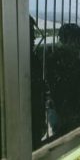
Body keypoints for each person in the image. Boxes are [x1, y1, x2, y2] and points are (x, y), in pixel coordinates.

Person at [45, 23, 80, 134]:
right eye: (79, 39)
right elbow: (61, 92)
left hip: (70, 114)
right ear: (69, 39)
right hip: (64, 117)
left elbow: (76, 86)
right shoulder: (58, 61)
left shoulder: (69, 58)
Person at [30, 16, 47, 149]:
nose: (34, 38)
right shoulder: (30, 59)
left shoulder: (32, 58)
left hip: (34, 120)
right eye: (30, 32)